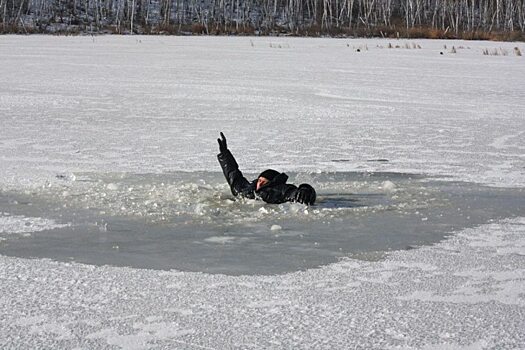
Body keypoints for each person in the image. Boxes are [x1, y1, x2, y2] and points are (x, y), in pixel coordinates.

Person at [217, 132, 316, 205]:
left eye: (264, 181)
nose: (260, 183)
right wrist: (224, 154)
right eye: (260, 180)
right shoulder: (247, 189)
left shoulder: (279, 189)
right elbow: (233, 175)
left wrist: (305, 190)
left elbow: (294, 192)